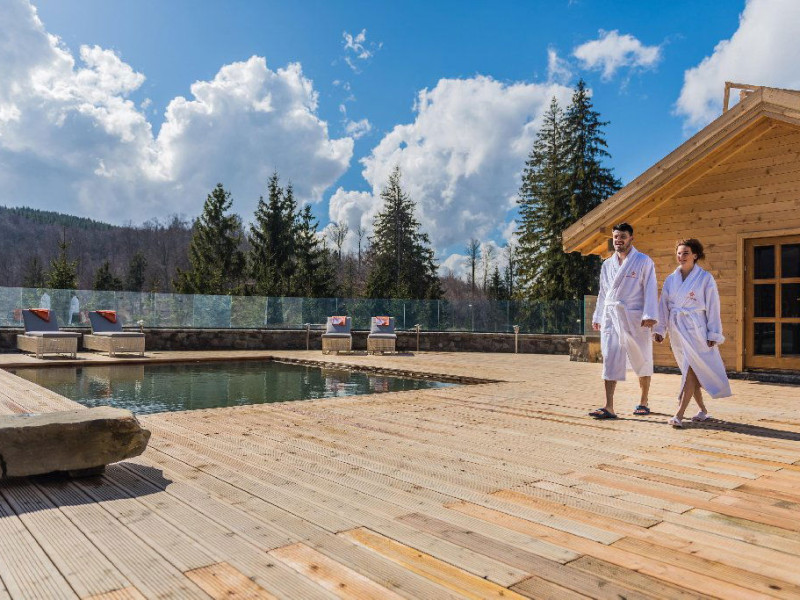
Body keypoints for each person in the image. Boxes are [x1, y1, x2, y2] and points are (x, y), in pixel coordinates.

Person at [654, 239, 731, 427]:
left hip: (697, 330)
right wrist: (660, 329)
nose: (681, 256)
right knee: (690, 370)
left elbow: (713, 306)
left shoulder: (705, 278)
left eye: (686, 253)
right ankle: (702, 410)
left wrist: (714, 333)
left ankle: (679, 415)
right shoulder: (671, 279)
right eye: (679, 253)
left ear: (695, 255)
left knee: (690, 369)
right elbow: (663, 306)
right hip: (677, 330)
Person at [589, 223, 658, 419]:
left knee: (642, 357)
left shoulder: (643, 261)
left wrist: (650, 314)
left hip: (635, 318)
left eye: (623, 237)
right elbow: (603, 293)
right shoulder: (607, 264)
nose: (618, 240)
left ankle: (643, 402)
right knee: (610, 358)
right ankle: (609, 406)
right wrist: (598, 315)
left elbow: (650, 288)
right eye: (616, 237)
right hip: (611, 317)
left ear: (631, 239)